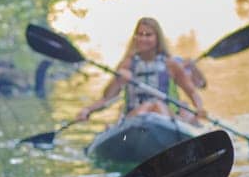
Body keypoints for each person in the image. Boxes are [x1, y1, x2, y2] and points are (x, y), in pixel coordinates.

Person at [75, 17, 208, 124]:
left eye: (148, 35)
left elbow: (192, 93)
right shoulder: (126, 64)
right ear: (135, 37)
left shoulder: (171, 64)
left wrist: (200, 109)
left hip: (166, 116)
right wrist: (87, 110)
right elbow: (107, 98)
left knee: (156, 105)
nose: (143, 38)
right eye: (140, 34)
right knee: (149, 107)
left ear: (157, 39)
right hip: (135, 117)